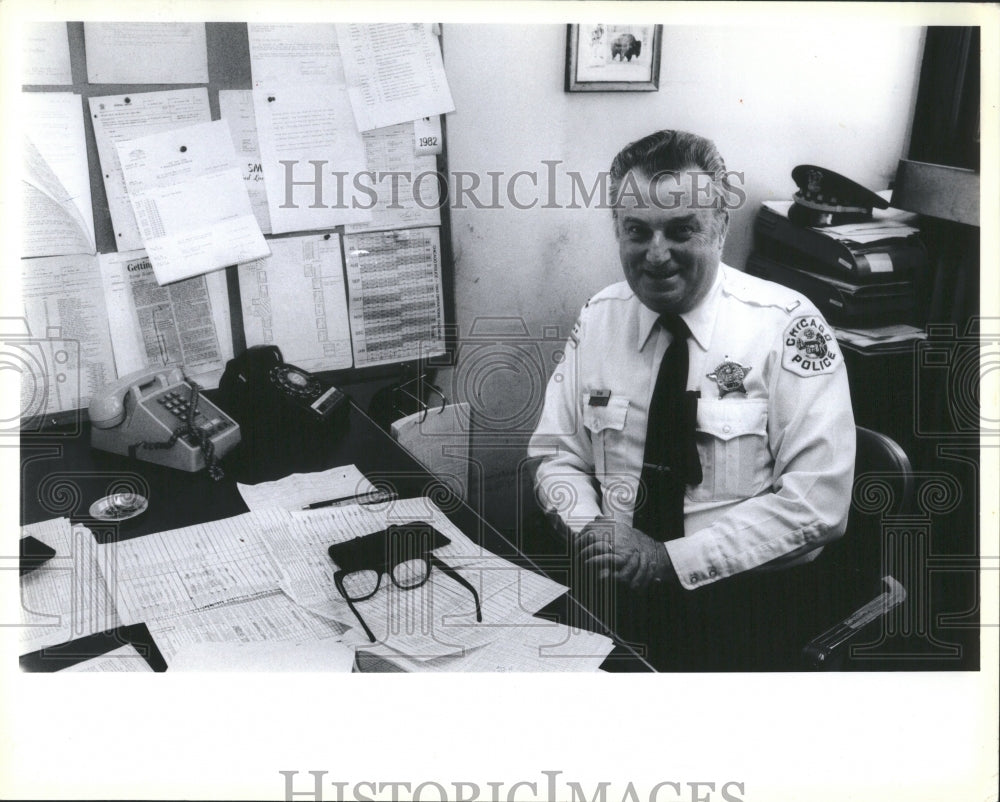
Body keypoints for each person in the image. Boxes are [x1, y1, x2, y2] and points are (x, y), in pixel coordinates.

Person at [527, 130, 856, 670]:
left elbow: (817, 505)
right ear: (618, 230)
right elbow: (554, 454)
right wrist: (595, 534)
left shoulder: (788, 326)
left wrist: (664, 560)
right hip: (616, 594)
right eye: (637, 231)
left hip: (743, 605)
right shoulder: (599, 316)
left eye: (681, 231)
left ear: (721, 227)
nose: (657, 256)